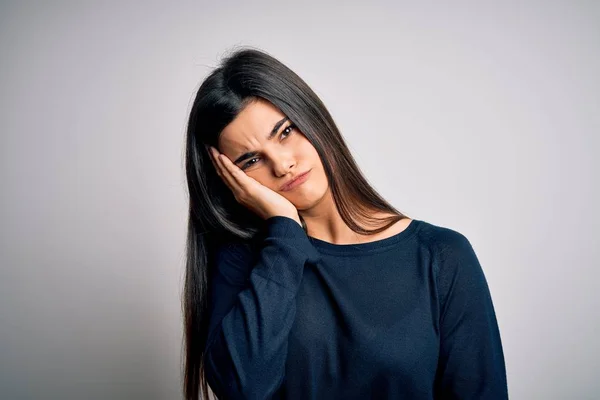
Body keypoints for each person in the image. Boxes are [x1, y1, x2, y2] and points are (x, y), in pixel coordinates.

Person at [182, 46, 508, 400]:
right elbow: (243, 388)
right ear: (231, 179)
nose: (282, 165)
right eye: (251, 160)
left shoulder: (440, 255)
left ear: (311, 118)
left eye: (286, 132)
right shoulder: (246, 263)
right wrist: (285, 231)